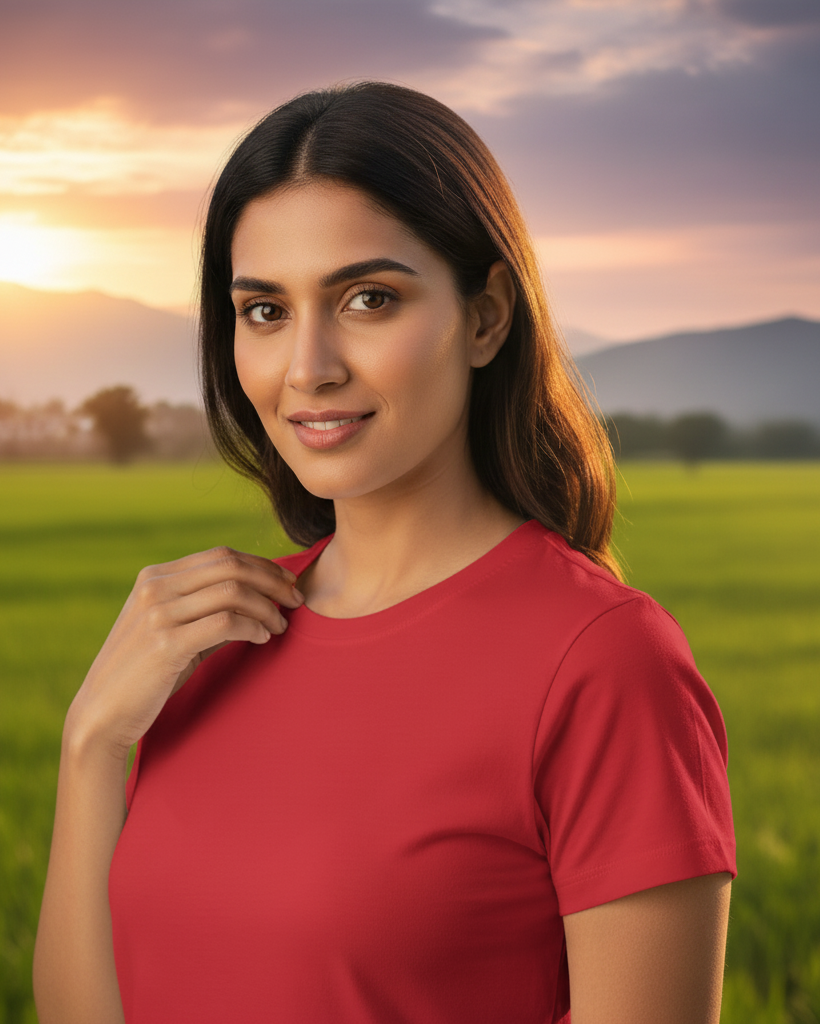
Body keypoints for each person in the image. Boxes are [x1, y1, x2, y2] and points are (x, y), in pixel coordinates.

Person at [33, 82, 736, 1024]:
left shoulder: (603, 662)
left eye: (368, 299)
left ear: (487, 316)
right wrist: (91, 744)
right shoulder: (203, 645)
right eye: (265, 311)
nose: (308, 367)